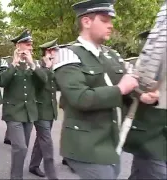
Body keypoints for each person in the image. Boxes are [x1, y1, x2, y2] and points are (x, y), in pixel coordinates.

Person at [52, 0, 159, 179]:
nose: (111, 26)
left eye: (111, 20)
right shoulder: (67, 54)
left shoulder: (111, 54)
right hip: (86, 145)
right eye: (104, 20)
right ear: (86, 22)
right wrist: (121, 89)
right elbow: (80, 98)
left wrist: (144, 96)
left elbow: (130, 86)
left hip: (112, 142)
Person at [0, 29, 48, 179]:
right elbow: (1, 81)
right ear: (18, 46)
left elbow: (43, 81)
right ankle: (16, 177)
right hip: (13, 113)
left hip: (29, 112)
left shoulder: (35, 64)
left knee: (22, 149)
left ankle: (16, 173)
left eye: (31, 44)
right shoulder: (7, 63)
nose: (30, 47)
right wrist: (14, 64)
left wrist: (32, 63)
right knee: (20, 147)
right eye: (27, 44)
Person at [124, 28, 167, 179]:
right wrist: (142, 93)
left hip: (163, 136)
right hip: (147, 138)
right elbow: (126, 91)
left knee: (139, 175)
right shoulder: (134, 66)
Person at [28, 39, 58, 179]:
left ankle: (33, 166)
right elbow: (44, 80)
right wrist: (47, 67)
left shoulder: (52, 67)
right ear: (48, 52)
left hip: (50, 110)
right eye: (55, 51)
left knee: (41, 140)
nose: (57, 53)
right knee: (47, 143)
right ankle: (52, 174)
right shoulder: (38, 66)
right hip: (40, 111)